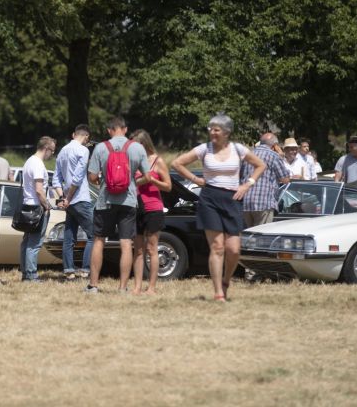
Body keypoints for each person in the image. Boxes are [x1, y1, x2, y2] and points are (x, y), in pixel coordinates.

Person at [171, 113, 265, 302]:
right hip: (210, 198)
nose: (212, 133)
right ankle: (218, 293)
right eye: (210, 129)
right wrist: (196, 180)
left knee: (234, 249)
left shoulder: (238, 149)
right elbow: (176, 163)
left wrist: (247, 184)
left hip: (233, 199)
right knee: (217, 247)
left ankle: (226, 281)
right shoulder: (204, 149)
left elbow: (260, 165)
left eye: (216, 129)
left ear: (227, 132)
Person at [85, 116, 150, 293]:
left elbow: (91, 176)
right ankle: (122, 287)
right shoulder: (137, 148)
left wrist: (102, 181)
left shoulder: (100, 148)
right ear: (125, 129)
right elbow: (148, 176)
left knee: (99, 240)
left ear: (109, 130)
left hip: (105, 201)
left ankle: (93, 285)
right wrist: (132, 183)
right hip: (128, 201)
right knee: (126, 243)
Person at [129, 129, 172, 296]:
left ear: (144, 144)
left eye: (135, 144)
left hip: (154, 208)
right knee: (138, 249)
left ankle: (151, 288)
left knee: (152, 248)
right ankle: (137, 287)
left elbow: (167, 186)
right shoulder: (133, 161)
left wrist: (152, 179)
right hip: (136, 207)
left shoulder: (157, 161)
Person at [53, 124, 94, 280]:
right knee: (94, 235)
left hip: (68, 201)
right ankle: (85, 269)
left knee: (69, 237)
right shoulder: (83, 150)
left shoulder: (62, 151)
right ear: (86, 137)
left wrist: (63, 197)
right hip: (80, 198)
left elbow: (56, 179)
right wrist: (69, 197)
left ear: (73, 134)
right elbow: (77, 178)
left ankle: (68, 270)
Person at [19, 136, 56, 282]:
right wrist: (47, 206)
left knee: (27, 241)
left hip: (28, 205)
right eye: (52, 151)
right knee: (34, 244)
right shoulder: (38, 164)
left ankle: (25, 274)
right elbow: (39, 190)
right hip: (36, 207)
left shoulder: (29, 161)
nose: (52, 154)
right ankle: (31, 275)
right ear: (46, 148)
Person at [242, 133, 290, 227]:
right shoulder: (274, 156)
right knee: (261, 237)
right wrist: (281, 156)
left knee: (248, 236)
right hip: (264, 202)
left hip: (245, 202)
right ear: (275, 146)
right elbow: (285, 179)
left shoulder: (248, 155)